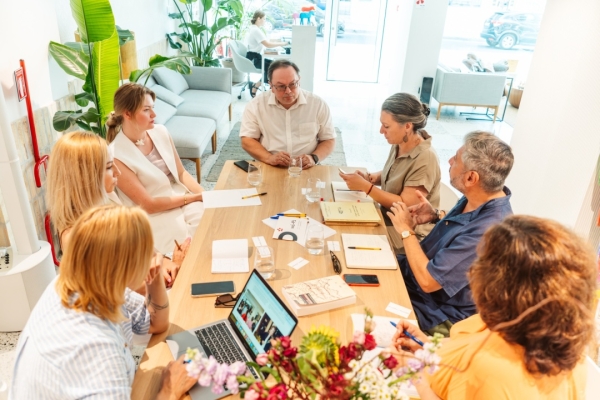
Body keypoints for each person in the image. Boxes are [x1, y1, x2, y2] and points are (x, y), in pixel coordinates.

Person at [392, 215, 594, 399]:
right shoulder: (566, 350)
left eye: (482, 261)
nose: (472, 270)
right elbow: (466, 348)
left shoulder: (490, 369)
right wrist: (427, 345)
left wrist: (414, 373)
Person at [10, 205, 196, 399]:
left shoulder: (85, 282)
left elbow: (156, 323)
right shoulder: (97, 347)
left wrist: (155, 278)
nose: (152, 257)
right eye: (147, 253)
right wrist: (169, 391)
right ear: (124, 269)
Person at [387, 131, 514, 336]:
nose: (450, 160)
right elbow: (463, 226)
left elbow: (428, 282)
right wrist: (436, 215)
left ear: (471, 177)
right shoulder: (478, 197)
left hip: (436, 314)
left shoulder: (489, 230)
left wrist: (406, 231)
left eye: (455, 159)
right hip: (413, 279)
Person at [46, 131, 188, 287]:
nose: (117, 172)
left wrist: (164, 260)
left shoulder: (108, 201)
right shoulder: (79, 238)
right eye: (108, 167)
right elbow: (124, 295)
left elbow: (140, 248)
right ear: (86, 177)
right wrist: (175, 263)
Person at [106, 83, 205, 254]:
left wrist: (205, 195)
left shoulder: (161, 132)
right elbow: (148, 205)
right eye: (146, 110)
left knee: (208, 222)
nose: (154, 114)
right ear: (127, 114)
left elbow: (181, 173)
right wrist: (194, 198)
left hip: (178, 195)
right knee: (183, 245)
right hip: (153, 212)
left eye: (153, 108)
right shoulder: (116, 154)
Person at [340, 93, 440, 252]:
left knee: (347, 237)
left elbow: (405, 204)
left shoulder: (425, 158)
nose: (381, 131)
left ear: (407, 126)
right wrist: (371, 178)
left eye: (386, 126)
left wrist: (367, 187)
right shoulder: (401, 140)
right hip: (386, 218)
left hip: (406, 233)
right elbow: (396, 172)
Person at [240, 59, 336, 169]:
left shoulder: (317, 104)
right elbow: (247, 140)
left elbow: (329, 139)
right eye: (281, 86)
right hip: (270, 164)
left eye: (293, 84)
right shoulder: (256, 105)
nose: (288, 91)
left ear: (299, 81)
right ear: (271, 85)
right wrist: (269, 158)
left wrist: (314, 158)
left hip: (308, 166)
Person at [245, 10, 290, 96]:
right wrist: (283, 43)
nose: (265, 21)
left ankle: (263, 86)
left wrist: (277, 41)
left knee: (274, 65)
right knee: (273, 68)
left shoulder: (254, 28)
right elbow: (268, 44)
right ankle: (257, 86)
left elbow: (265, 42)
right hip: (254, 59)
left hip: (253, 56)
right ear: (259, 18)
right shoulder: (256, 30)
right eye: (264, 19)